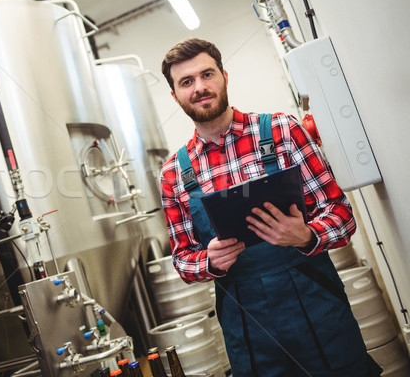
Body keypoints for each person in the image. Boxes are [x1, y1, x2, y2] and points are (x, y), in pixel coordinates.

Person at [159, 38, 382, 377]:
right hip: (248, 330)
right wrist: (209, 261)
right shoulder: (174, 173)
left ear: (225, 76)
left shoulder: (282, 131)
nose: (200, 87)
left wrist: (307, 235)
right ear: (175, 96)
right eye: (186, 82)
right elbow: (182, 259)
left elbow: (341, 214)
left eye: (207, 74)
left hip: (319, 312)